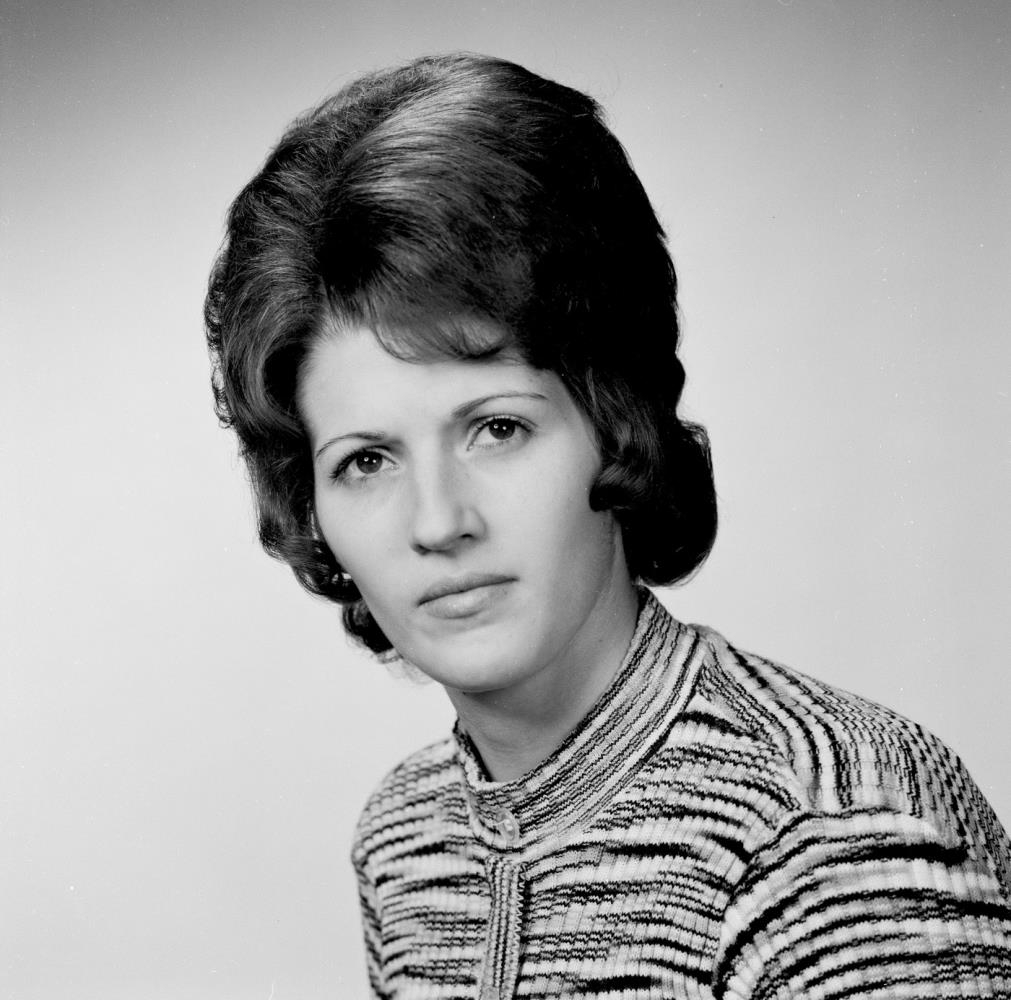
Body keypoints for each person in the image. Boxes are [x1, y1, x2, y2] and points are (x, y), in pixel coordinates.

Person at [205, 53, 1011, 999]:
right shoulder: (406, 842)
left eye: (497, 429)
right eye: (366, 461)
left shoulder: (837, 826)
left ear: (612, 422)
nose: (437, 521)